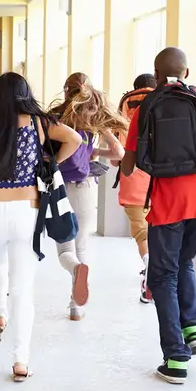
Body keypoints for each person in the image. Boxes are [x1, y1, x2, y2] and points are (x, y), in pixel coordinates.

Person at [0, 72, 81, 382]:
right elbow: (75, 140)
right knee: (23, 287)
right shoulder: (39, 122)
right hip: (28, 209)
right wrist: (52, 164)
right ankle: (20, 361)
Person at [121, 47, 196, 384]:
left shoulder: (146, 108)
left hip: (167, 205)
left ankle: (176, 358)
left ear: (156, 76)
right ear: (186, 72)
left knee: (161, 276)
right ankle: (194, 328)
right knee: (185, 260)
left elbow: (129, 164)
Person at [48, 73, 126, 321]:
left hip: (57, 188)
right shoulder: (94, 120)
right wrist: (99, 141)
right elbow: (119, 153)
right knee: (81, 245)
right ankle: (75, 307)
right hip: (83, 189)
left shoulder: (55, 119)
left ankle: (75, 269)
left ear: (65, 90)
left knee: (64, 249)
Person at [115, 74, 157, 304]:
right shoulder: (163, 100)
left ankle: (149, 263)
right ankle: (160, 271)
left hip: (133, 172)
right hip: (162, 175)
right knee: (162, 226)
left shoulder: (125, 104)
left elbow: (117, 154)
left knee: (141, 230)